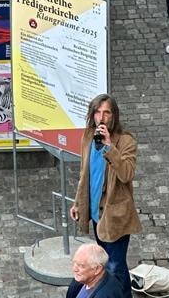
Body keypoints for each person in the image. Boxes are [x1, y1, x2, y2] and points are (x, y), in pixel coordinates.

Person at [69, 94, 140, 298]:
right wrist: (78, 203)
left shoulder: (126, 141)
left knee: (115, 266)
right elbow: (85, 174)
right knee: (106, 262)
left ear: (114, 115)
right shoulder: (88, 136)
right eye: (98, 112)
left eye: (107, 112)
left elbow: (127, 174)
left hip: (115, 216)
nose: (102, 117)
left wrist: (110, 147)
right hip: (96, 214)